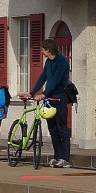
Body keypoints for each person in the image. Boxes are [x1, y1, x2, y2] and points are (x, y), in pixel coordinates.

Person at [30, 38, 71, 167]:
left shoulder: (62, 61)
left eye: (43, 49)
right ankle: (57, 156)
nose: (42, 52)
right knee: (52, 129)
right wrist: (32, 92)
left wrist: (44, 94)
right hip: (50, 98)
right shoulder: (48, 62)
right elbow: (43, 77)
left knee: (62, 129)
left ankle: (65, 158)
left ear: (48, 50)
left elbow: (56, 80)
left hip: (60, 97)